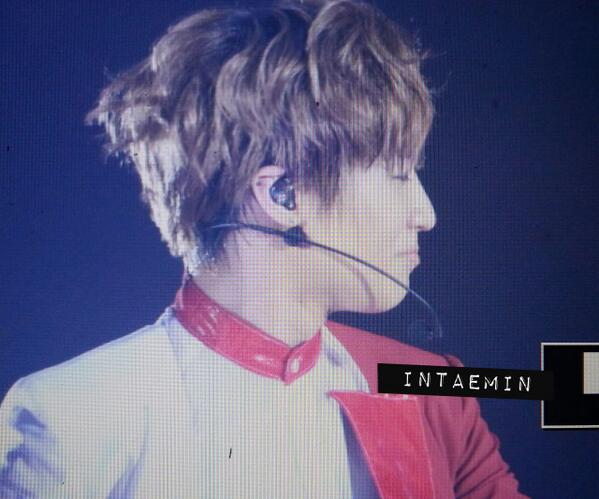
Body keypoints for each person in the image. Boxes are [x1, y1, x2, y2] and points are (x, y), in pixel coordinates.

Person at [0, 1, 529, 497]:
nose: (427, 214)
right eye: (397, 173)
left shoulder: (437, 394)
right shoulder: (68, 415)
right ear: (283, 195)